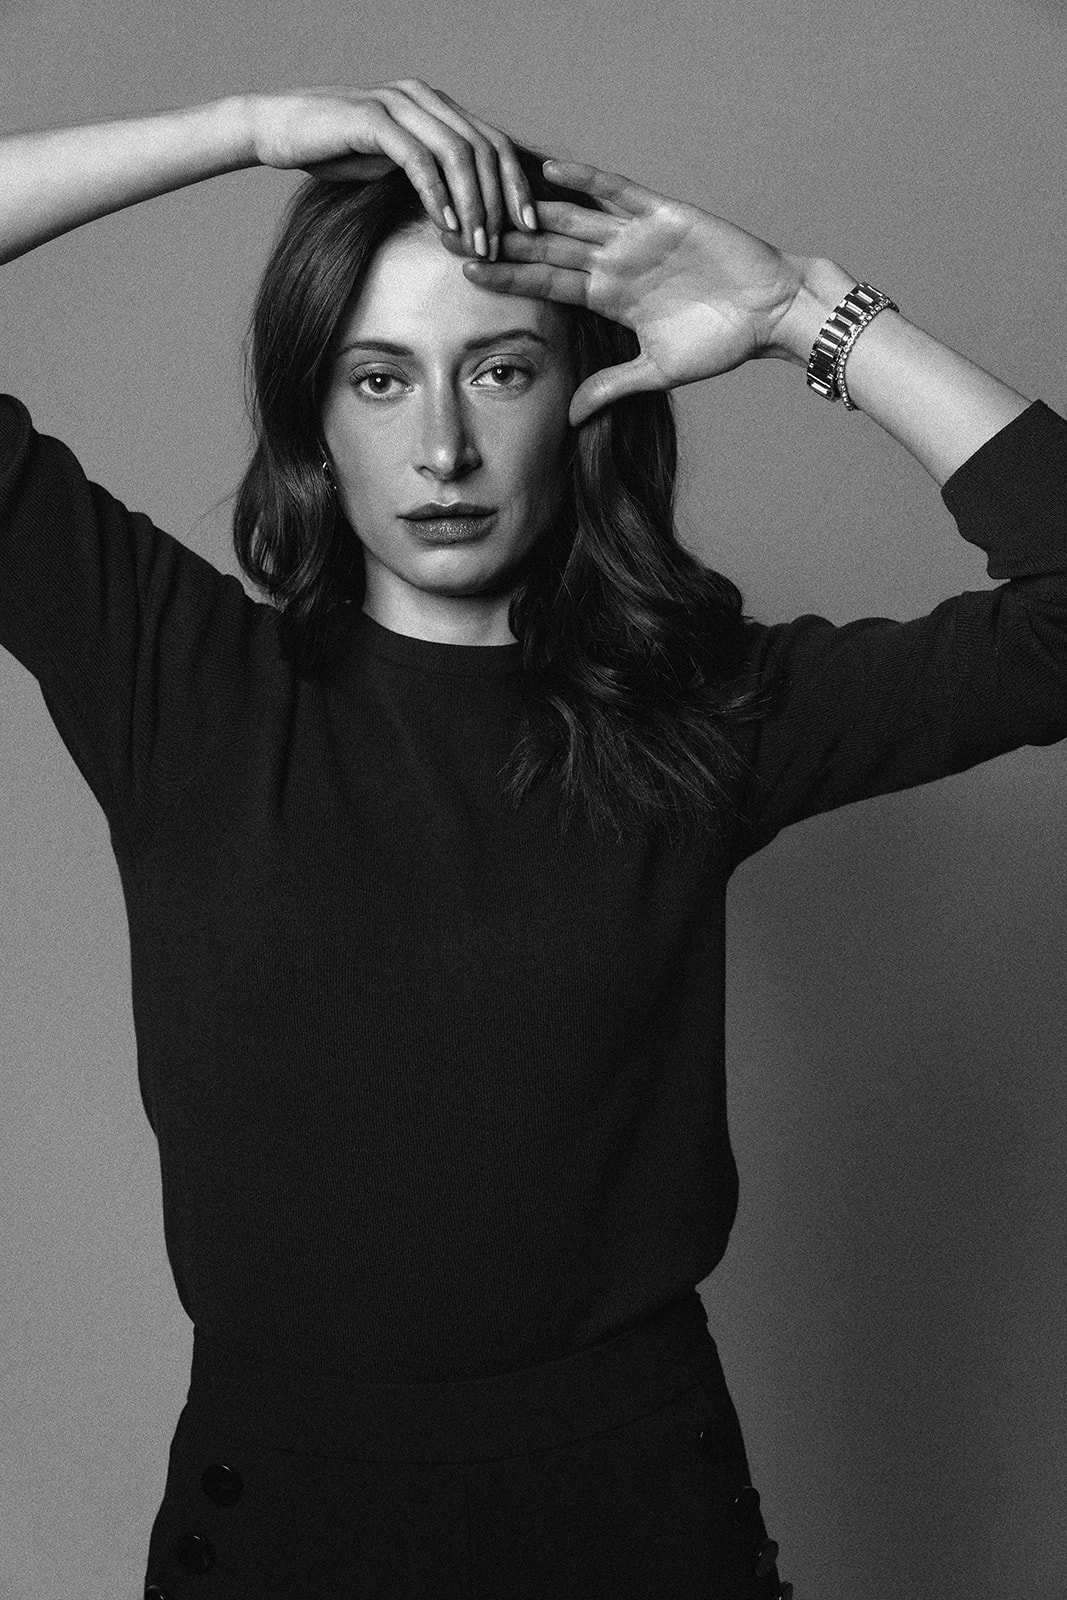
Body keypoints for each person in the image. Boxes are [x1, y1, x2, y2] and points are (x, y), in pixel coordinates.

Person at [1, 81, 1064, 1599]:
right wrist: (238, 131)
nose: (440, 444)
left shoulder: (702, 718)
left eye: (494, 369)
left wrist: (794, 314)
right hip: (283, 1507)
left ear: (584, 394)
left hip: (630, 1504)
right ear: (311, 415)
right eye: (377, 380)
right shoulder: (180, 683)